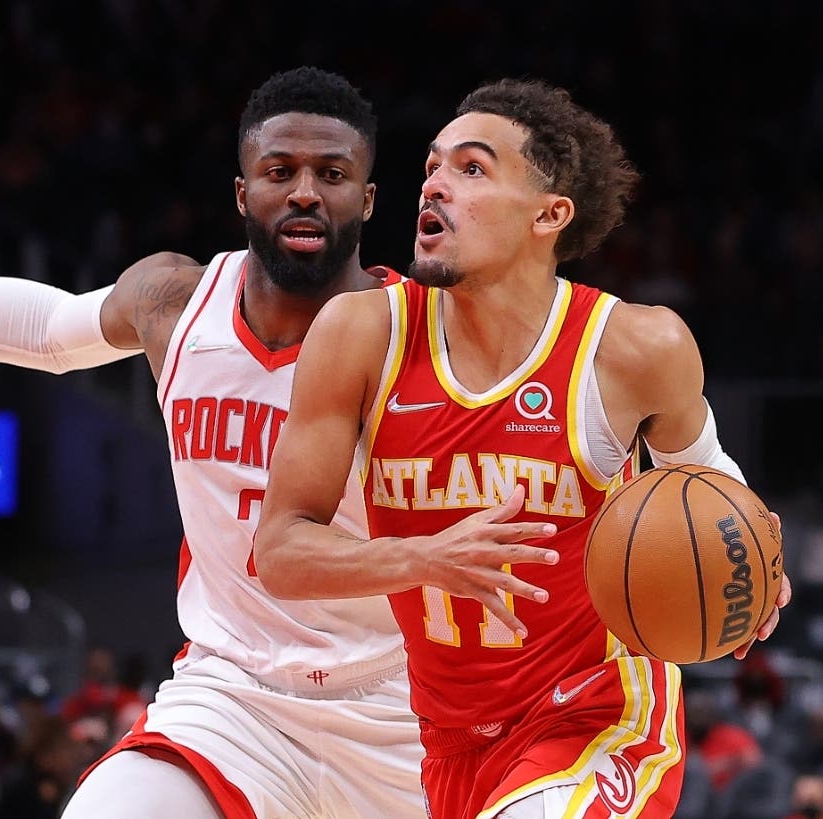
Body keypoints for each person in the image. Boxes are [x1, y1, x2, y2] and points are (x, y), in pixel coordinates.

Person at [0, 67, 551, 817]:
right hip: (235, 698)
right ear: (244, 192)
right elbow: (43, 327)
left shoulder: (434, 335)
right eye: (280, 172)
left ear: (367, 201)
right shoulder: (177, 302)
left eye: (331, 175)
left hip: (404, 709)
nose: (305, 193)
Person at [254, 77, 793, 818]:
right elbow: (281, 551)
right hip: (448, 744)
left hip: (600, 719)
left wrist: (754, 569)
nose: (434, 185)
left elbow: (711, 487)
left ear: (549, 214)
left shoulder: (635, 348)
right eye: (432, 167)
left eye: (471, 168)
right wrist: (424, 558)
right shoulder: (361, 333)